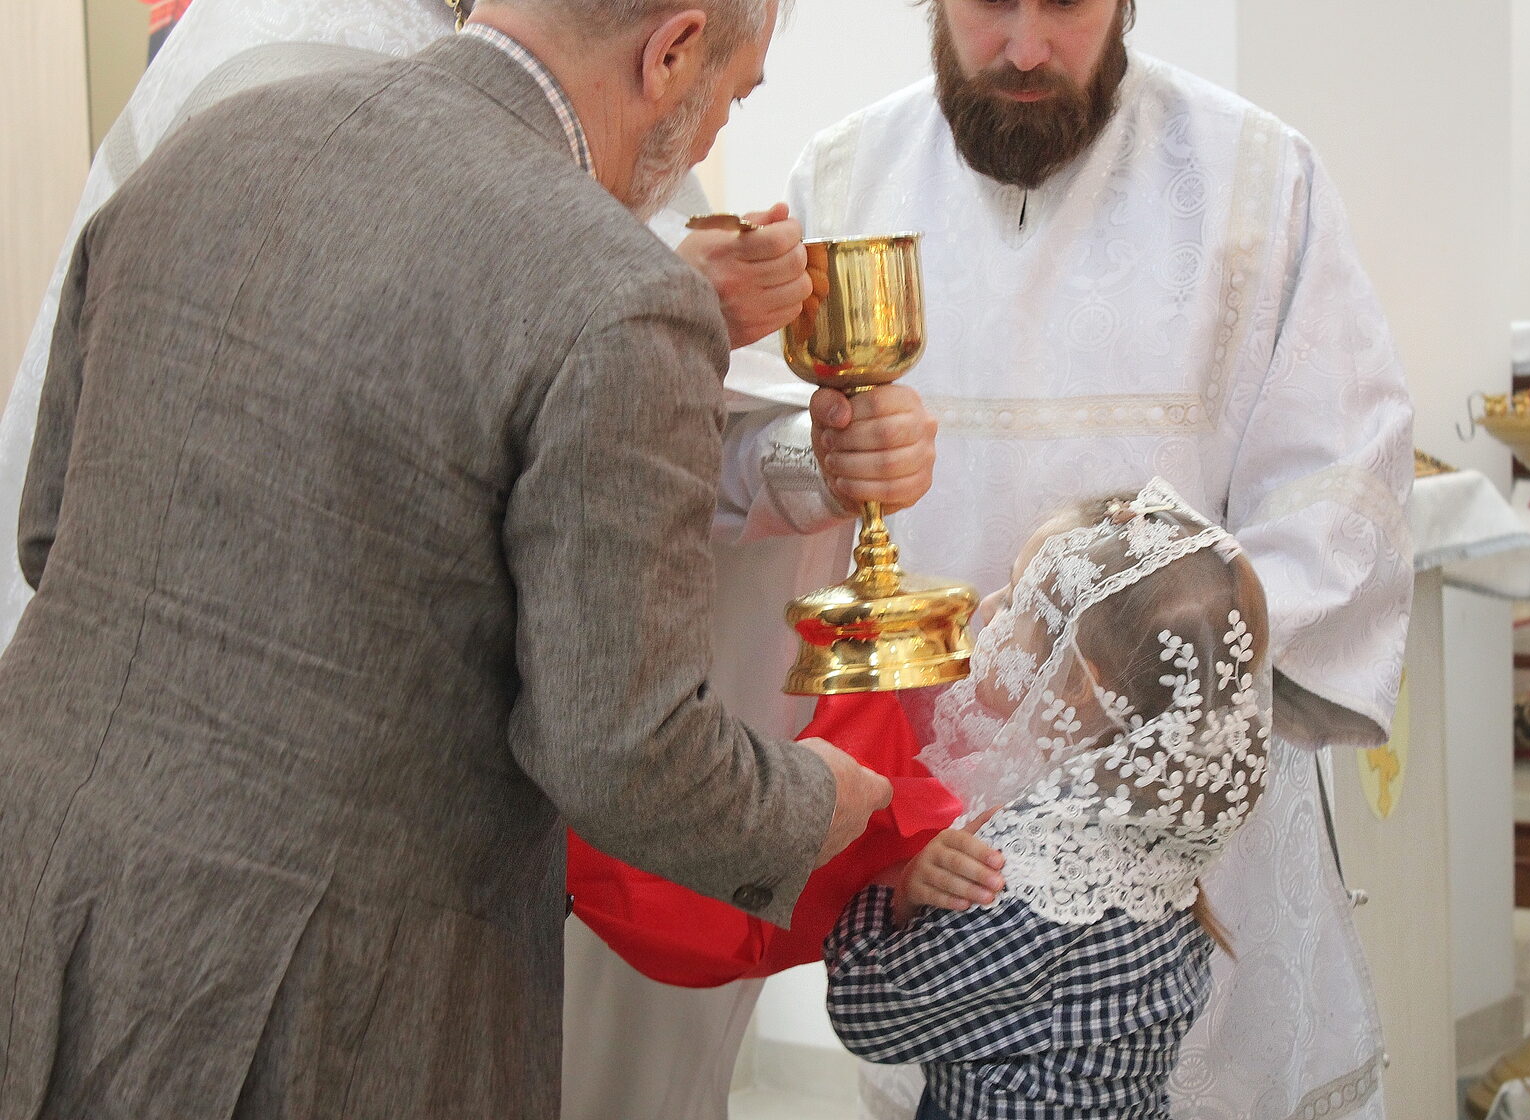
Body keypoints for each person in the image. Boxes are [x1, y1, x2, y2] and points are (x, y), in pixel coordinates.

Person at [3, 2, 920, 1116]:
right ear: (672, 51)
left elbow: (49, 532)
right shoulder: (618, 290)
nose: (717, 130)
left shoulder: (215, 136)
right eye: (734, 93)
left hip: (47, 891)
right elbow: (622, 754)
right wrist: (820, 801)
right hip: (327, 984)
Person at [784, 1, 1414, 1116]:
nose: (1026, 49)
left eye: (1069, 4)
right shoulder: (842, 179)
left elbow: (1342, 490)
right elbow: (755, 472)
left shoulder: (1258, 178)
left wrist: (1141, 703)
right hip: (938, 833)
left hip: (1184, 838)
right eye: (991, 1)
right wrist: (813, 459)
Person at [826, 481, 1271, 1120]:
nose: (987, 609)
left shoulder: (1029, 881)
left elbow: (868, 1013)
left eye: (1016, 602)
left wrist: (893, 890)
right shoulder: (1146, 827)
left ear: (1078, 681)